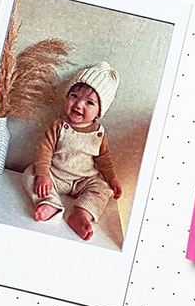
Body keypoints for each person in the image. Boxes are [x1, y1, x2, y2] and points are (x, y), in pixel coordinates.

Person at [24, 63, 122, 241]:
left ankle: (82, 212)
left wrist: (112, 178)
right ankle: (50, 202)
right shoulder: (59, 125)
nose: (78, 104)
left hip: (83, 180)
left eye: (89, 102)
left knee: (103, 189)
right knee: (30, 173)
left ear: (100, 111)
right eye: (74, 96)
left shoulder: (99, 133)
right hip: (55, 175)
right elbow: (45, 149)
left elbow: (104, 159)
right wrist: (43, 173)